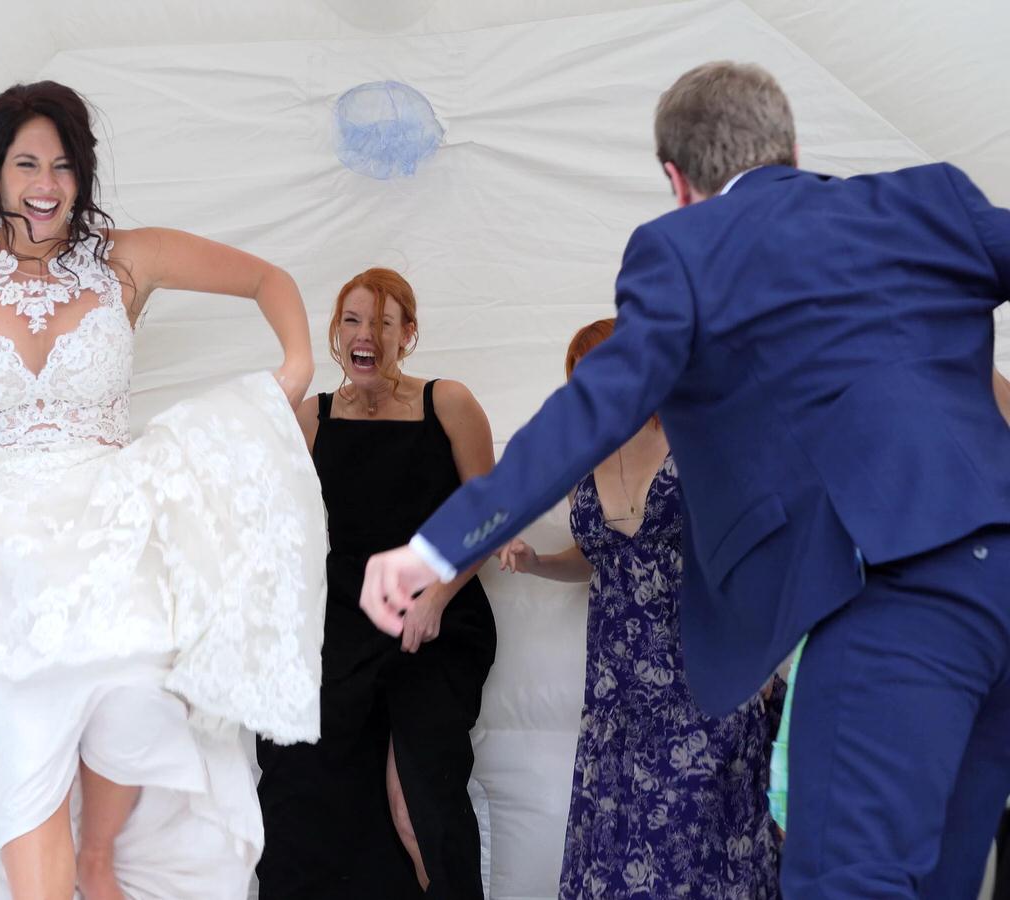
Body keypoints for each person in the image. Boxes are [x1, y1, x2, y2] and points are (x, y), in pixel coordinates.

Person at [359, 60, 1010, 898]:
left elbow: (584, 415)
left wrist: (438, 549)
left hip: (897, 594)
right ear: (791, 147)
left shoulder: (688, 247)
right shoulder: (929, 201)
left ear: (677, 180)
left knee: (850, 880)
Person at [0, 80, 326, 900]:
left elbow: (267, 279)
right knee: (23, 722)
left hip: (110, 515)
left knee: (137, 695)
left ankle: (103, 863)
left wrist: (295, 366)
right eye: (28, 163)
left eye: (65, 166)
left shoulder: (124, 259)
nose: (46, 184)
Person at [498, 318, 781, 898]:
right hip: (618, 685)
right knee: (618, 848)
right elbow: (597, 558)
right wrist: (536, 562)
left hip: (704, 673)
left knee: (700, 848)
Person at [256, 267, 496, 899]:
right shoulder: (313, 418)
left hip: (434, 624)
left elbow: (489, 518)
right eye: (354, 321)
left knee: (414, 799)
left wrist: (438, 597)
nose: (366, 335)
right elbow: (282, 527)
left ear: (407, 334)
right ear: (337, 331)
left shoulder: (448, 402)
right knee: (299, 770)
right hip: (343, 623)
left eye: (384, 324)